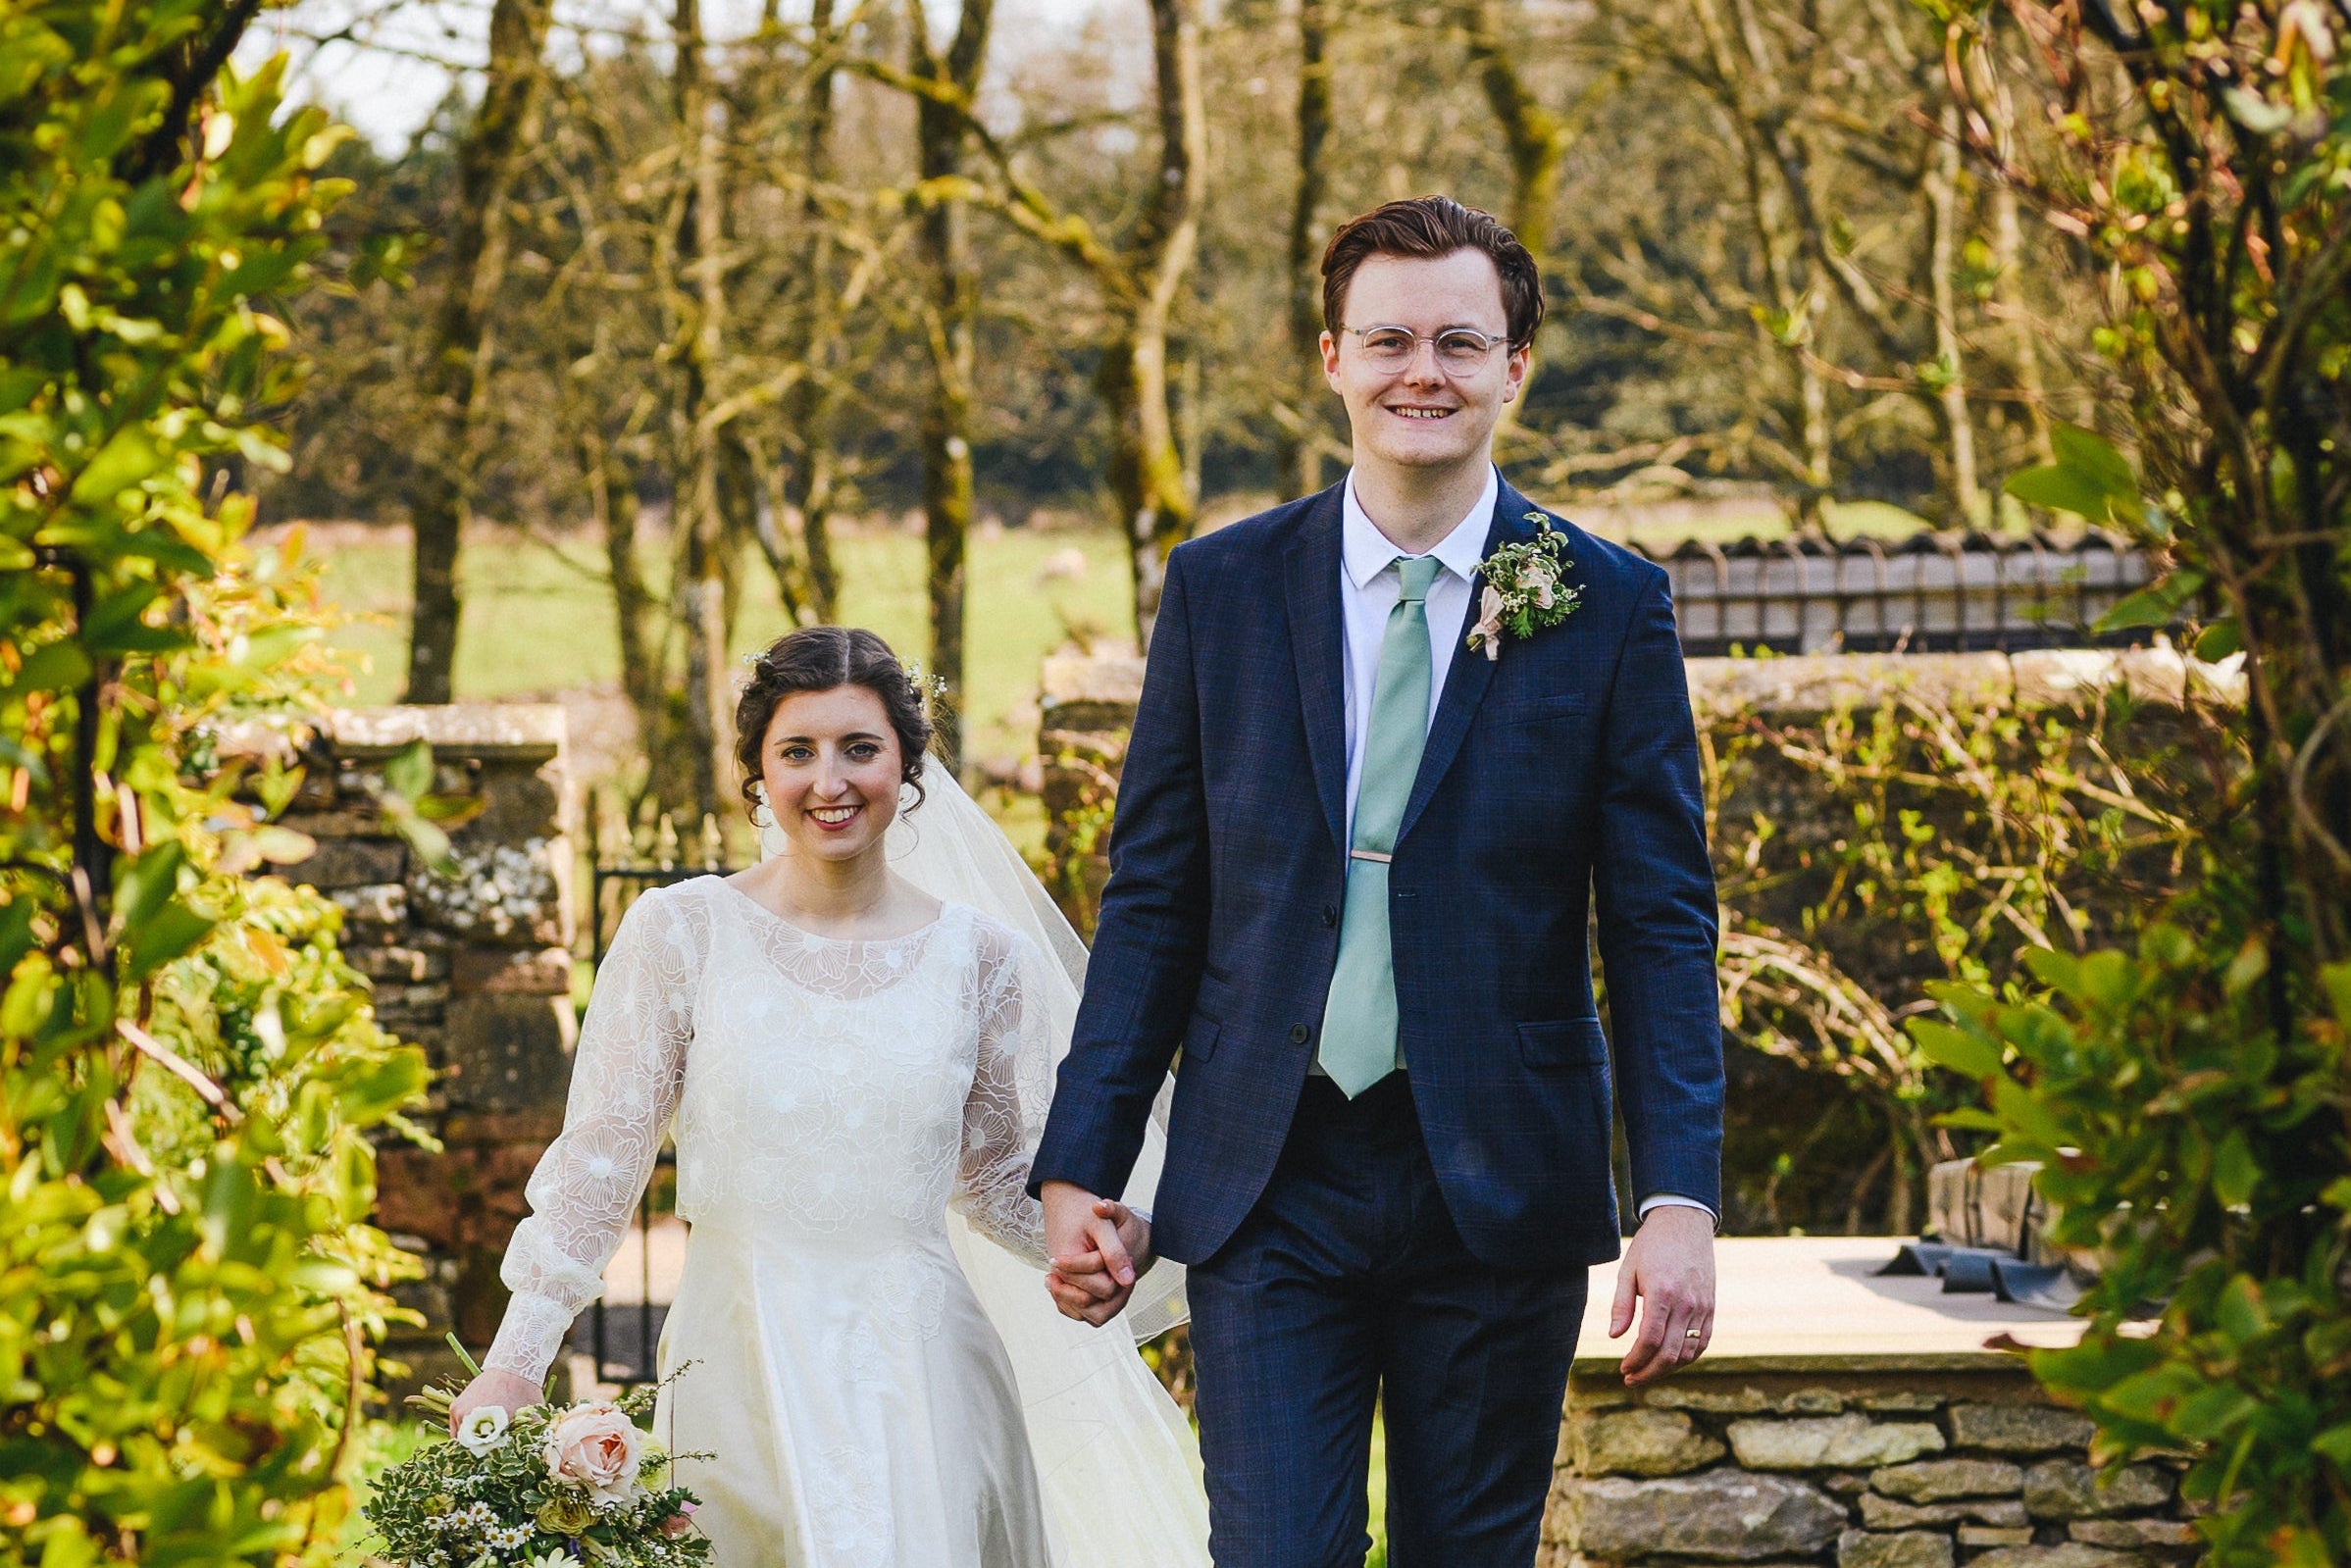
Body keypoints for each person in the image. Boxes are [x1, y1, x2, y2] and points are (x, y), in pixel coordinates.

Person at [1031, 195, 1726, 1568]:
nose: (1425, 371)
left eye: (1462, 341)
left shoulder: (1603, 602)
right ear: (1332, 357)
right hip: (1263, 1169)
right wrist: (1081, 1162)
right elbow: (1155, 896)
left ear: (1513, 367)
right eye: (1390, 338)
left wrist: (1678, 1196)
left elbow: (1658, 928)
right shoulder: (1220, 589)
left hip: (1500, 1176)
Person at [448, 627, 1210, 1568]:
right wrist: (515, 1363)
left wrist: (1100, 1235)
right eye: (796, 751)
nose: (829, 780)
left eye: (860, 747)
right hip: (739, 1362)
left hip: (927, 1376)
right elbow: (600, 1167)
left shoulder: (981, 958)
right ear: (757, 773)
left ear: (908, 763)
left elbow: (995, 1176)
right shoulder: (679, 933)